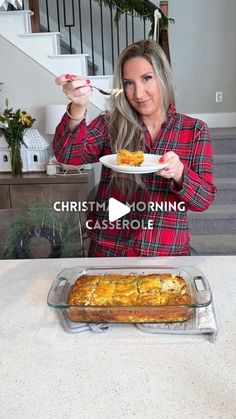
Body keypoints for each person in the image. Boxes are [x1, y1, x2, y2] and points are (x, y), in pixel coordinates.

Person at [53, 40, 216, 257]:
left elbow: (203, 200)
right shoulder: (109, 124)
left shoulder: (194, 130)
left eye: (147, 78)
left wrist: (179, 173)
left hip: (165, 254)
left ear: (163, 77)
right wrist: (78, 107)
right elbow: (68, 156)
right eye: (129, 83)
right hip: (109, 252)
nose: (138, 94)